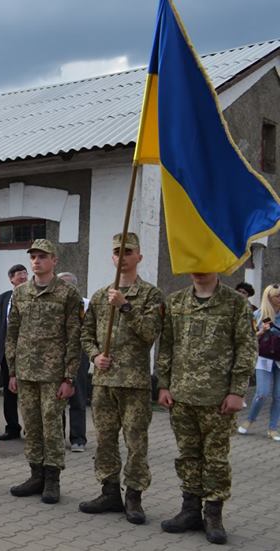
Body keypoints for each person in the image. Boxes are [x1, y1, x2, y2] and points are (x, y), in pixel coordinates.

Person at [157, 272, 256, 544]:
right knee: (187, 455)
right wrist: (163, 385)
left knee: (216, 459)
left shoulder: (235, 302)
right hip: (181, 395)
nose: (199, 269)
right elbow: (166, 345)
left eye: (205, 263)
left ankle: (213, 514)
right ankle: (189, 510)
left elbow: (246, 347)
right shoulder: (176, 301)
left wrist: (238, 390)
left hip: (218, 398)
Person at [78, 233, 163, 524]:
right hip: (103, 381)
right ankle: (109, 491)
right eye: (117, 252)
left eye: (128, 252)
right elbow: (86, 333)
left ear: (138, 257)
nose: (122, 257)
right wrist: (93, 356)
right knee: (104, 440)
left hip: (135, 382)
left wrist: (126, 306)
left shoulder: (150, 295)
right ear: (112, 258)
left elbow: (150, 333)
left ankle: (134, 497)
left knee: (136, 441)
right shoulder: (101, 296)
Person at [7, 239, 83, 504]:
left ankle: (53, 479)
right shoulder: (20, 293)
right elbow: (13, 333)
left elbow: (75, 336)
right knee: (32, 426)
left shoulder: (67, 293)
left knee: (51, 427)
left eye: (42, 256)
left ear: (54, 260)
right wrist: (12, 371)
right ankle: (35, 474)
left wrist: (69, 376)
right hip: (26, 371)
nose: (36, 261)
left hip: (54, 373)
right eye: (33, 257)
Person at [238, 284, 280, 441]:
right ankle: (249, 420)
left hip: (279, 359)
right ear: (269, 297)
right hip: (264, 358)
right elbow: (248, 337)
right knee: (262, 393)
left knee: (278, 396)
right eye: (278, 296)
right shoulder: (259, 314)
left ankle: (273, 429)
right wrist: (261, 331)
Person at [58, 271, 90, 453]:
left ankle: (78, 438)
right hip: (57, 355)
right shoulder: (54, 304)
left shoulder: (85, 305)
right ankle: (58, 437)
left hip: (79, 354)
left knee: (77, 397)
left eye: (68, 285)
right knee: (58, 396)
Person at [0, 264, 28, 440]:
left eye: (25, 274)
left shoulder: (32, 296)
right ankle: (12, 427)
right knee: (9, 392)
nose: (23, 277)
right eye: (19, 274)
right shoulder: (3, 298)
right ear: (11, 279)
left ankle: (31, 428)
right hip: (6, 353)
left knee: (28, 392)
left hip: (26, 353)